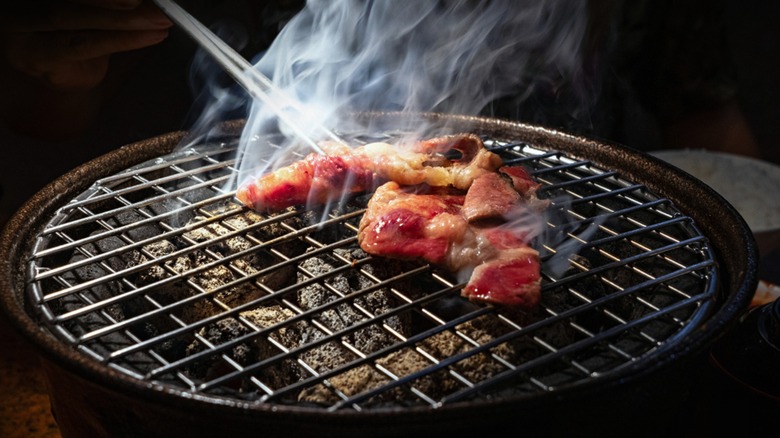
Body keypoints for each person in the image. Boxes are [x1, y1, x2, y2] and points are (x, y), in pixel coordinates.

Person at [0, 0, 767, 225]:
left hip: (585, 231)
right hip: (307, 236)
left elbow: (707, 133)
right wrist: (56, 61)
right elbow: (54, 114)